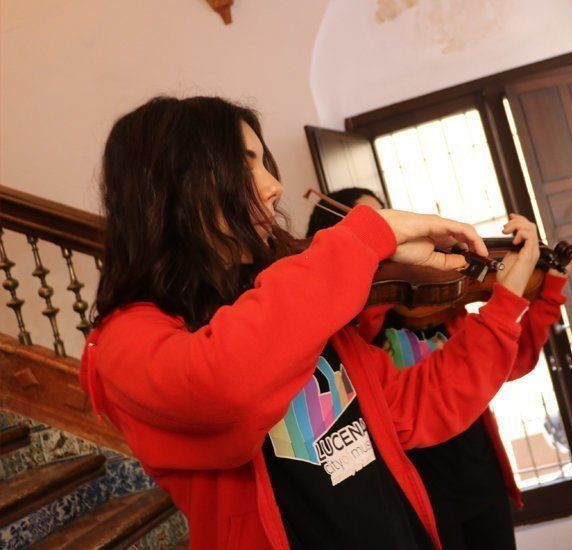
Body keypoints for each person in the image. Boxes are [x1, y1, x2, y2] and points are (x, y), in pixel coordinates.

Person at [80, 96, 545, 550]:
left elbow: (418, 403)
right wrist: (366, 238)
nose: (273, 185)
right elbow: (225, 384)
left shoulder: (288, 304)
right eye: (245, 164)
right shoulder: (126, 339)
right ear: (175, 184)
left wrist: (505, 304)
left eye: (265, 164)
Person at [306, 188, 571, 550]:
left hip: (480, 477)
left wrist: (549, 287)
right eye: (373, 229)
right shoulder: (351, 337)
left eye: (390, 222)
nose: (390, 236)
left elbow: (516, 359)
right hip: (423, 496)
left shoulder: (445, 308)